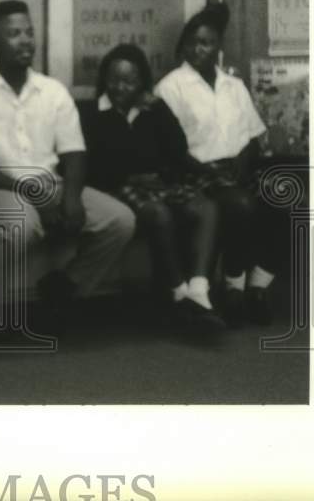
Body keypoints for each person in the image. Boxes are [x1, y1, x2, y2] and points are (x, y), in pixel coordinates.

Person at [0, 0, 136, 306]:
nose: (26, 40)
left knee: (120, 220)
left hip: (50, 184)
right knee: (19, 224)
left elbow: (74, 153)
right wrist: (32, 193)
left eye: (29, 31)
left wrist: (71, 198)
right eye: (14, 33)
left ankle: (65, 287)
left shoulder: (53, 91)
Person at [80, 44, 224, 332]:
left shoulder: (152, 108)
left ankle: (197, 289)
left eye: (129, 81)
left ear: (141, 81)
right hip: (118, 188)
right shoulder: (91, 113)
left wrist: (156, 109)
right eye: (114, 79)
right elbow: (91, 165)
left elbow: (177, 148)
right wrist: (131, 177)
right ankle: (179, 294)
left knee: (206, 208)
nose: (120, 87)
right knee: (159, 214)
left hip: (159, 183)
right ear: (104, 79)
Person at [155, 3, 275, 325]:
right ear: (183, 46)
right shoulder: (171, 87)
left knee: (291, 200)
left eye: (206, 42)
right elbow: (169, 148)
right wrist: (206, 170)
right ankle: (233, 287)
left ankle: (257, 287)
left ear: (218, 46)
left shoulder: (233, 86)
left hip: (239, 168)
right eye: (192, 42)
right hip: (197, 174)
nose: (198, 49)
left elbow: (252, 135)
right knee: (242, 205)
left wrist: (243, 162)